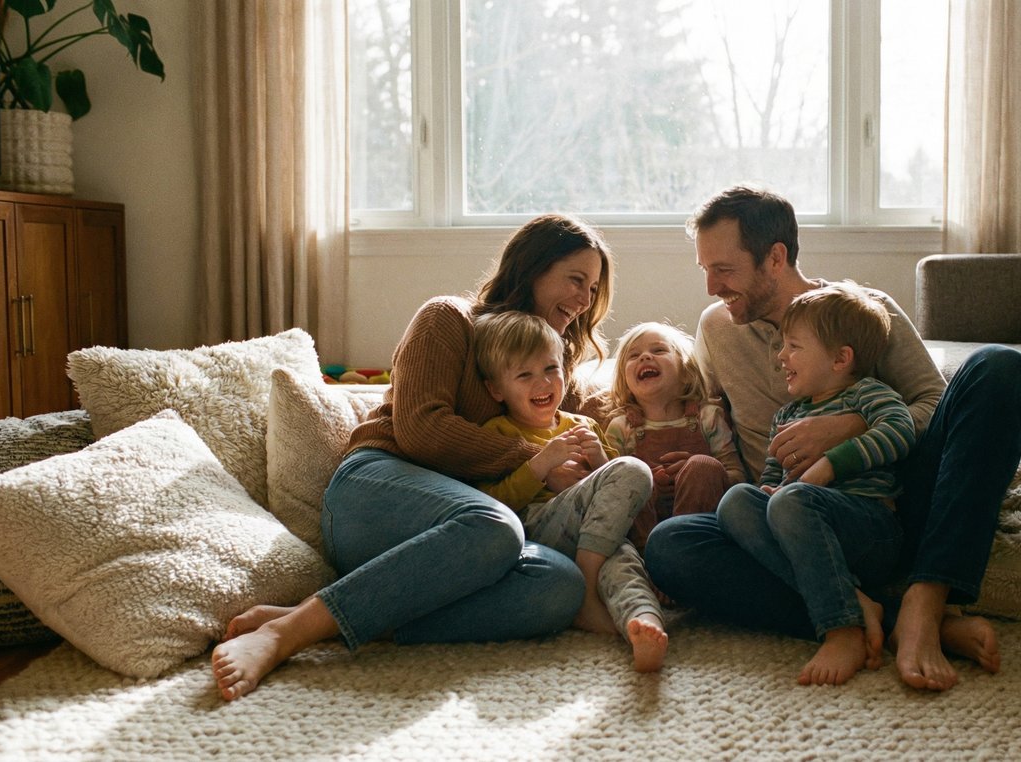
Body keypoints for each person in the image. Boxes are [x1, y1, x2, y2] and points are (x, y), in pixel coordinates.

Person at [644, 185, 1021, 692]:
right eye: (705, 270)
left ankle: (926, 599)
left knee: (999, 368)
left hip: (881, 507)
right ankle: (871, 615)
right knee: (671, 546)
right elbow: (708, 416)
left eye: (724, 269)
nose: (711, 287)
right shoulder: (717, 328)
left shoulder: (865, 311)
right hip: (783, 528)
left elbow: (936, 407)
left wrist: (849, 426)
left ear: (775, 258)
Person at [212, 214, 616, 701]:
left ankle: (321, 617)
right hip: (375, 493)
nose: (584, 300)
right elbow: (422, 430)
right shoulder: (449, 318)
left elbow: (566, 445)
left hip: (453, 550)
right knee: (497, 525)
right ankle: (285, 636)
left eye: (593, 289)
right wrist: (536, 456)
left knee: (559, 584)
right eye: (576, 280)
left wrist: (592, 453)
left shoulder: (552, 363)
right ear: (532, 268)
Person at [716, 282, 916, 686]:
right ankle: (856, 602)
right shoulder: (786, 415)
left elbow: (902, 431)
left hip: (869, 529)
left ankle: (842, 629)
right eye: (781, 346)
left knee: (794, 502)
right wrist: (770, 491)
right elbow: (774, 474)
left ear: (841, 358)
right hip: (802, 527)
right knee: (736, 500)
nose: (780, 357)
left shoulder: (870, 395)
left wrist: (829, 465)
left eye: (794, 346)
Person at [471, 310, 667, 672]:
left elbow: (622, 494)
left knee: (623, 559)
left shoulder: (584, 424)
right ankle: (586, 590)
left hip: (592, 536)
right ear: (496, 389)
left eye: (550, 369)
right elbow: (494, 503)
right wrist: (540, 465)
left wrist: (599, 457)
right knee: (632, 469)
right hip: (539, 526)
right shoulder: (497, 432)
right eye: (524, 375)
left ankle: (643, 624)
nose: (542, 384)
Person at [603, 321, 745, 548]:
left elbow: (737, 477)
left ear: (686, 373)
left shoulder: (708, 417)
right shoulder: (621, 428)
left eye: (659, 350)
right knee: (631, 476)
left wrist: (699, 474)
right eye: (634, 355)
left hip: (701, 528)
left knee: (702, 465)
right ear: (625, 382)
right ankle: (650, 561)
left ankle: (683, 550)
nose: (645, 357)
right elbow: (608, 491)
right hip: (645, 532)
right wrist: (648, 483)